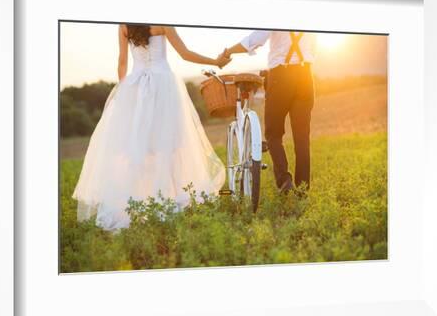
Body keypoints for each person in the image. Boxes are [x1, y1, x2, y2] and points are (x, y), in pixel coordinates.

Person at [72, 24, 231, 230]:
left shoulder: (124, 26)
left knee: (140, 147)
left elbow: (122, 62)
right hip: (163, 85)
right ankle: (172, 197)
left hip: (136, 87)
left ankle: (141, 201)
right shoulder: (163, 23)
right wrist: (215, 62)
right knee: (170, 146)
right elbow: (185, 54)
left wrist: (124, 93)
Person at [222, 30, 316, 192]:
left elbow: (253, 40)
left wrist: (228, 52)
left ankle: (284, 180)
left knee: (273, 133)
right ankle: (302, 190)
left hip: (281, 76)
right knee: (302, 137)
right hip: (306, 76)